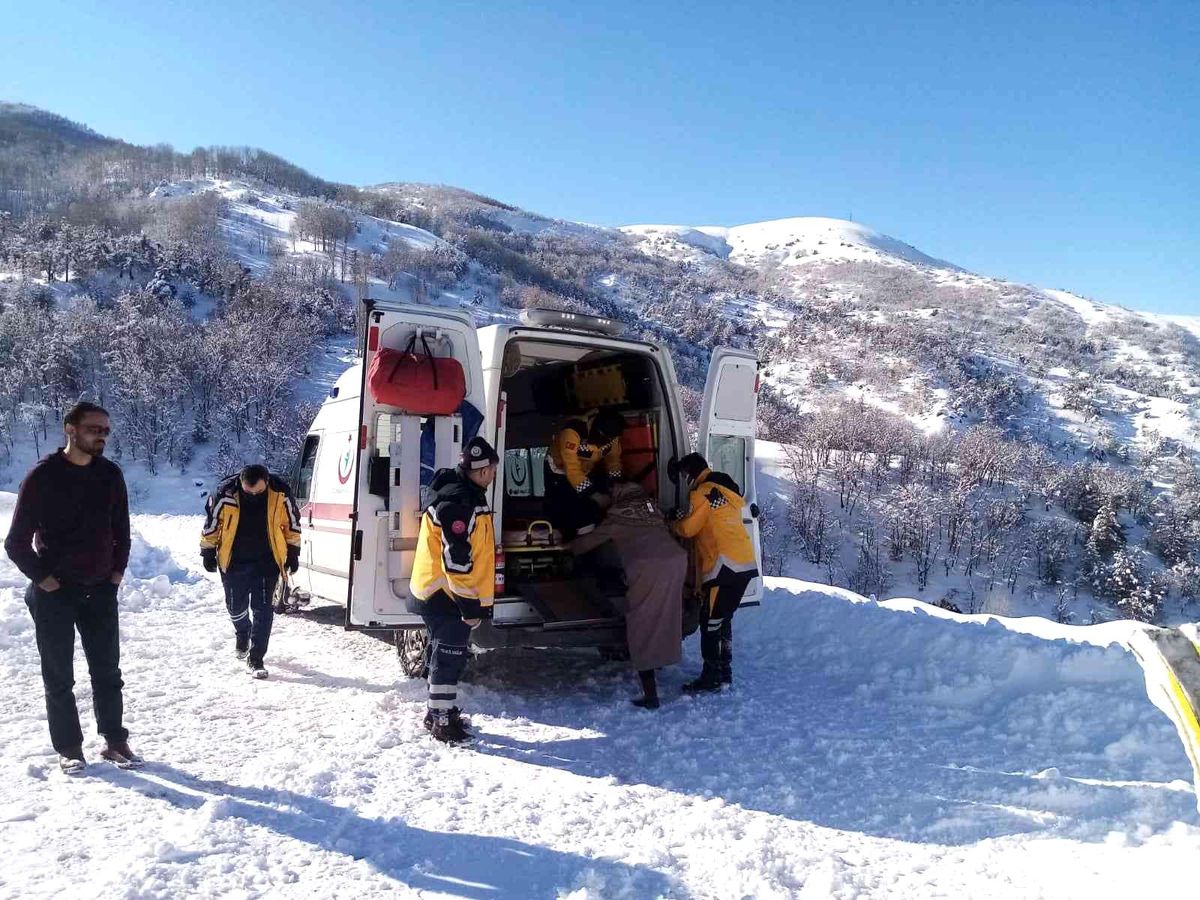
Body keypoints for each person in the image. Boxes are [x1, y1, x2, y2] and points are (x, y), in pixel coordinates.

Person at [4, 402, 140, 773]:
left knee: (108, 672)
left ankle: (115, 742)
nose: (101, 435)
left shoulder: (110, 475)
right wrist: (45, 581)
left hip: (100, 590)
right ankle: (69, 749)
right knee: (59, 676)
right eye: (94, 428)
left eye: (106, 430)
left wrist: (115, 576)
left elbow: (121, 532)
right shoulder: (42, 477)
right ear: (70, 429)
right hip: (55, 593)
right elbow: (15, 542)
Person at [408, 437, 499, 744]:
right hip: (446, 595)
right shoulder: (461, 502)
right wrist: (469, 605)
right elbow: (457, 561)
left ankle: (437, 712)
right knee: (449, 656)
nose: (494, 474)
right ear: (484, 471)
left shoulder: (464, 494)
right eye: (494, 469)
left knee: (445, 653)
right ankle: (443, 721)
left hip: (440, 592)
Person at [200, 464, 301, 679]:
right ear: (241, 484)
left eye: (258, 492)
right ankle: (242, 631)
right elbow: (211, 524)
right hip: (234, 560)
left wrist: (293, 552)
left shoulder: (280, 492)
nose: (253, 496)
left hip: (268, 561)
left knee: (263, 609)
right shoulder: (225, 493)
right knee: (235, 607)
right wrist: (207, 551)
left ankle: (256, 658)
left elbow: (291, 524)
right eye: (249, 492)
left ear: (266, 481)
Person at [672, 453, 760, 694]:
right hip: (743, 564)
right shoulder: (725, 492)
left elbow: (689, 529)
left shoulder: (702, 492)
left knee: (710, 623)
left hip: (724, 566)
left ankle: (711, 676)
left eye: (684, 475)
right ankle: (724, 671)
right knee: (723, 619)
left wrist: (673, 523)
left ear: (690, 474)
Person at [544, 409, 626, 540]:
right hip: (559, 471)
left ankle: (591, 534)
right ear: (596, 428)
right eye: (603, 438)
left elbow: (613, 462)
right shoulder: (572, 432)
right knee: (570, 507)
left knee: (592, 507)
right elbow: (572, 469)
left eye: (609, 440)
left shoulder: (612, 437)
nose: (604, 443)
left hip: (585, 469)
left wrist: (615, 486)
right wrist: (595, 495)